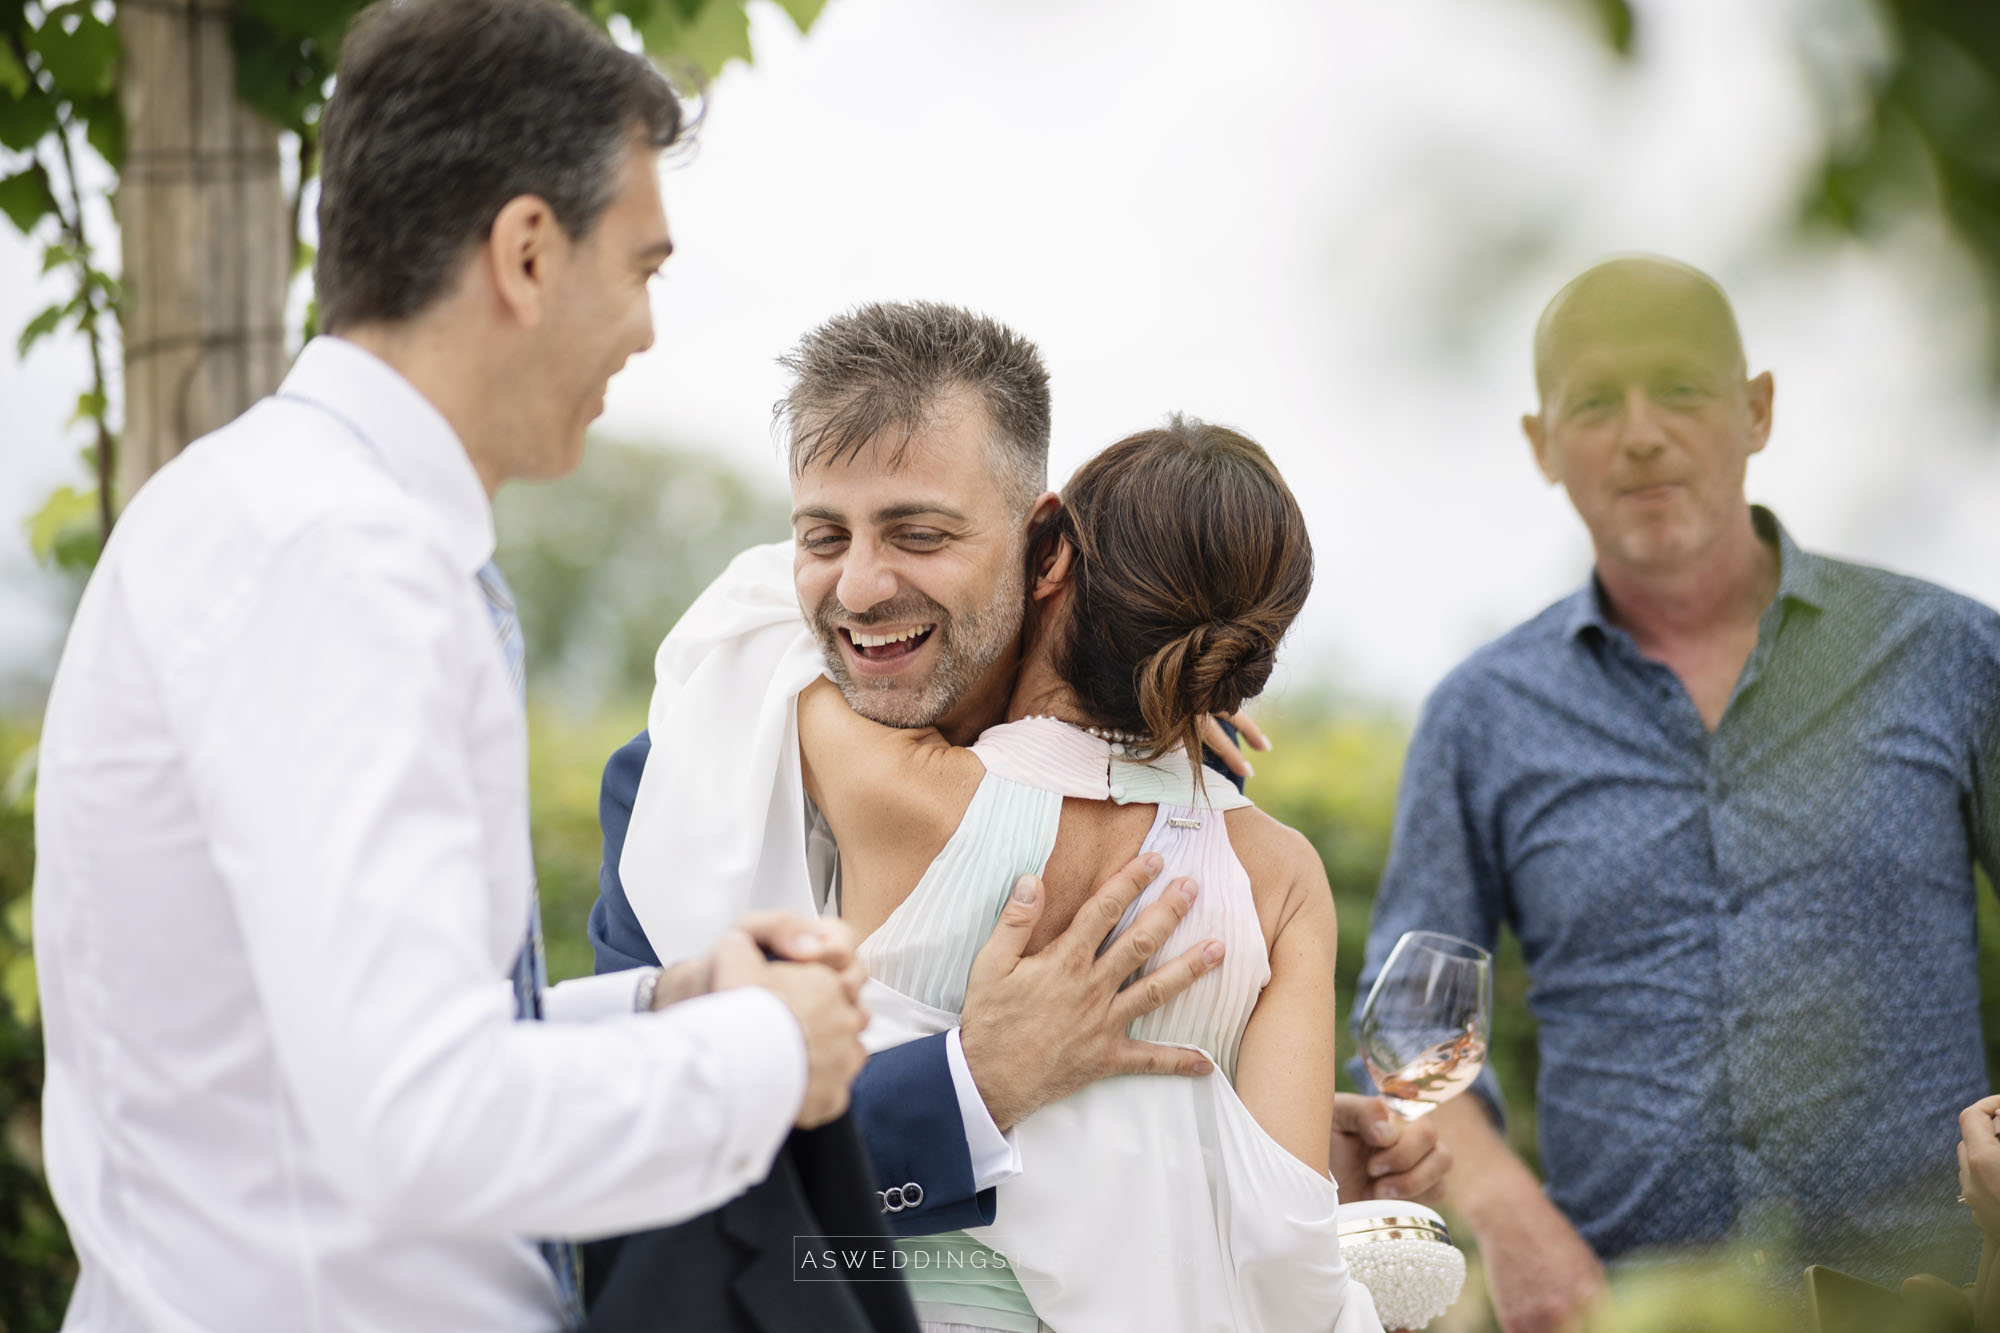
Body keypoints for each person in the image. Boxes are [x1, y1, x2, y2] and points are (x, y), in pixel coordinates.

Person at [30, 3, 881, 1329]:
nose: (650, 329)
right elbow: (419, 1118)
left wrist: (670, 1001)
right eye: (643, 267)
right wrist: (769, 1051)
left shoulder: (269, 513)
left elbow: (338, 1061)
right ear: (528, 254)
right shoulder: (341, 563)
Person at [588, 302, 1451, 1247]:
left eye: (919, 535)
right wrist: (970, 1087)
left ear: (1044, 548)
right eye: (824, 537)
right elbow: (647, 1172)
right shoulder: (674, 785)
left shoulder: (1182, 788)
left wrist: (1247, 1138)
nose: (862, 588)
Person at [1357, 254, 2000, 1331]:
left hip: (1925, 1299)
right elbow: (1407, 1039)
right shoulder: (1479, 715)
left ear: (1754, 411)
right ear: (1541, 444)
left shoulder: (1948, 655)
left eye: (1680, 389)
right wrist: (1509, 1215)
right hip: (1626, 1310)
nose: (1641, 431)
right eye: (1595, 401)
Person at [795, 417, 1388, 1330]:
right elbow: (1284, 1242)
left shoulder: (894, 786)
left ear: (1052, 560)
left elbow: (795, 619)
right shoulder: (1282, 876)